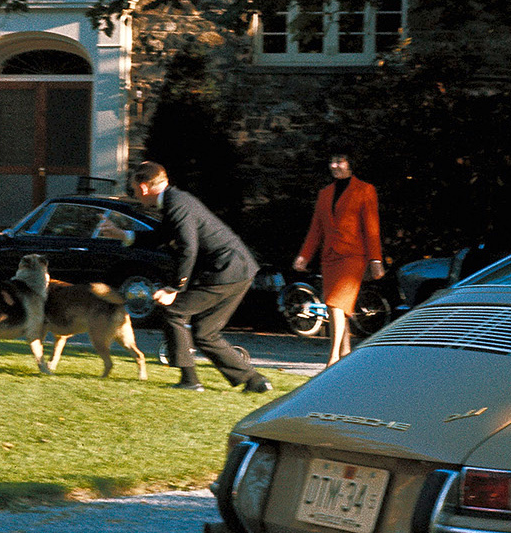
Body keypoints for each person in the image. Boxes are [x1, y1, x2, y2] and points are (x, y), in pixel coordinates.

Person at [130, 161, 271, 394]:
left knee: (174, 311)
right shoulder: (175, 200)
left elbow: (188, 248)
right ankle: (255, 380)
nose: (135, 193)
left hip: (225, 271)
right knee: (205, 333)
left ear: (144, 187)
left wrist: (174, 288)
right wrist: (123, 235)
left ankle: (190, 381)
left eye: (134, 188)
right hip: (239, 270)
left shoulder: (176, 204)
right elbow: (161, 236)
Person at [293, 152, 384, 366]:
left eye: (339, 161)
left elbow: (372, 228)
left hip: (353, 256)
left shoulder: (365, 190)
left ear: (351, 164)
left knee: (335, 303)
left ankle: (333, 358)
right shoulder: (325, 193)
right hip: (330, 258)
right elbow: (317, 228)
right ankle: (345, 352)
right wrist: (304, 256)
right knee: (338, 307)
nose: (333, 165)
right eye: (331, 162)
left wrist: (376, 260)